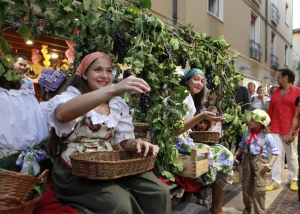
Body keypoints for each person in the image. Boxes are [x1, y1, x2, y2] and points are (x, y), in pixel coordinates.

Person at [46, 52, 171, 214]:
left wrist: (138, 144)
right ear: (84, 73)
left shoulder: (116, 103)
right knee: (119, 202)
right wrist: (113, 89)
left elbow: (125, 140)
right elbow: (61, 115)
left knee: (158, 192)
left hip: (108, 165)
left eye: (109, 71)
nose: (104, 75)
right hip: (75, 169)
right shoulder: (72, 96)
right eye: (98, 70)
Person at [175, 68, 233, 214]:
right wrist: (202, 117)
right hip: (176, 142)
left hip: (183, 139)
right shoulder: (181, 96)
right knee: (225, 154)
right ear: (186, 80)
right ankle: (216, 208)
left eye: (202, 81)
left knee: (223, 151)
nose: (199, 83)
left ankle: (216, 206)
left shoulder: (188, 96)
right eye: (195, 79)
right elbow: (176, 129)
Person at [0, 58, 50, 176]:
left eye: (24, 65)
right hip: (36, 159)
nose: (22, 67)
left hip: (7, 164)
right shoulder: (27, 95)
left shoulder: (6, 96)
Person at [234, 109, 279, 214]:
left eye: (252, 119)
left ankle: (259, 211)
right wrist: (235, 155)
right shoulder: (247, 133)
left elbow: (275, 152)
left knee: (259, 188)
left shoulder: (267, 136)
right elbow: (242, 145)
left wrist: (270, 165)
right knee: (246, 186)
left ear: (260, 123)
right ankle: (248, 207)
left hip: (260, 161)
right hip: (247, 159)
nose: (249, 121)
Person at [266, 68, 300, 192]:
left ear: (286, 78)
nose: (277, 79)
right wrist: (267, 124)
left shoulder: (298, 92)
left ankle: (293, 179)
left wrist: (294, 132)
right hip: (275, 127)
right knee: (276, 155)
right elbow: (271, 109)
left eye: (279, 77)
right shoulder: (276, 92)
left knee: (291, 156)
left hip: (290, 129)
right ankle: (276, 181)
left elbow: (299, 115)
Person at [233, 84, 251, 160]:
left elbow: (248, 105)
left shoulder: (243, 89)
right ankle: (227, 157)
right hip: (229, 117)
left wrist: (246, 119)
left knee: (239, 138)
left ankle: (238, 158)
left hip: (240, 118)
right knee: (228, 139)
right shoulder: (226, 89)